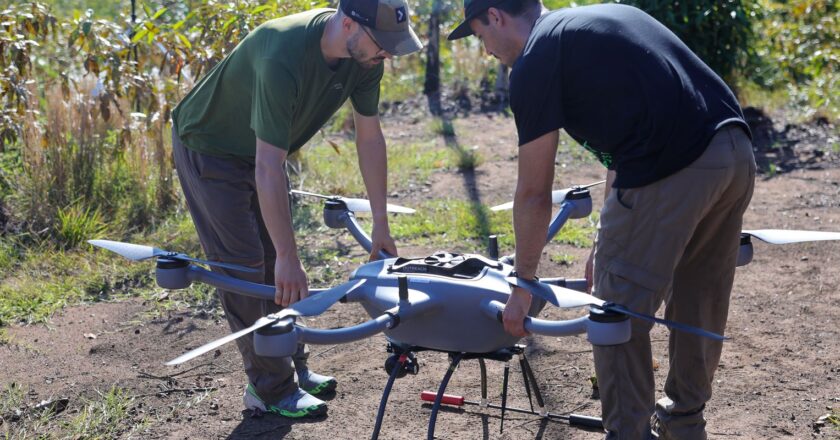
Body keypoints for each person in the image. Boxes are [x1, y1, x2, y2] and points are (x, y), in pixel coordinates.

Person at [448, 1, 756, 438]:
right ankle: (685, 423)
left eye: (480, 36)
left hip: (671, 166)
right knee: (699, 300)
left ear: (495, 16)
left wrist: (523, 285)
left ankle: (628, 433)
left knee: (615, 316)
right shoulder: (593, 22)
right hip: (734, 152)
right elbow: (623, 139)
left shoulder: (536, 60)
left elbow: (534, 192)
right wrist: (602, 242)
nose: (485, 50)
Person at [170, 0, 422, 418]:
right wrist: (287, 256)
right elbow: (268, 166)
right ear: (348, 24)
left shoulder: (365, 60)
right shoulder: (282, 52)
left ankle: (293, 367)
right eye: (383, 44)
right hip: (210, 148)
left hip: (262, 153)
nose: (388, 54)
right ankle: (269, 389)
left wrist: (380, 225)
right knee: (248, 268)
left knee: (280, 268)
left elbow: (370, 139)